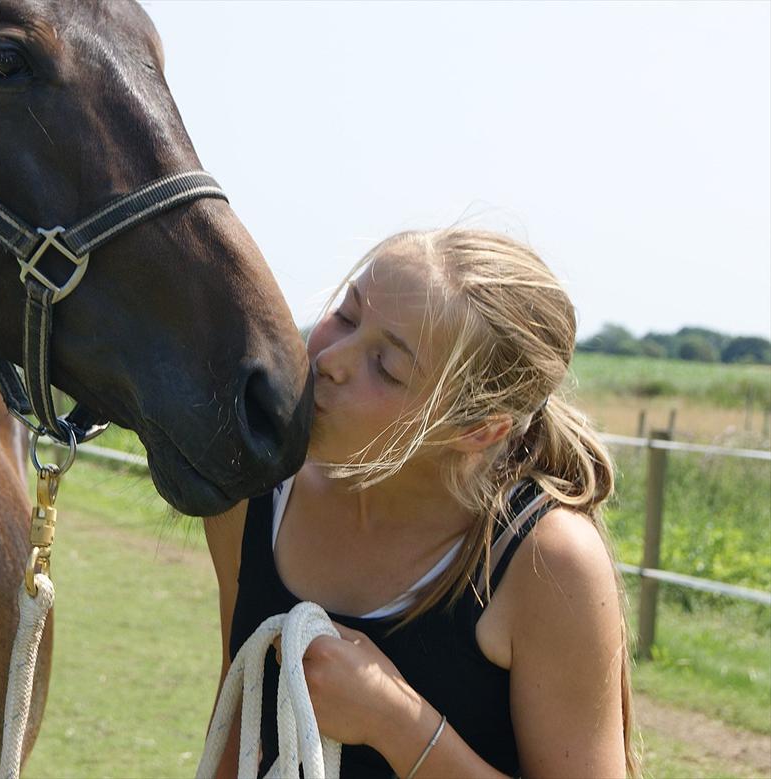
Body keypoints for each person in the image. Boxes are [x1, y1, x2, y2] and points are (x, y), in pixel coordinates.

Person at [203, 228, 637, 778]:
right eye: (347, 314)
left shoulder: (547, 562)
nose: (330, 358)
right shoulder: (253, 493)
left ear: (479, 429)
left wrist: (395, 723)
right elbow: (237, 712)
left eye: (387, 366)